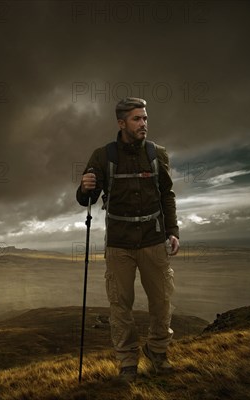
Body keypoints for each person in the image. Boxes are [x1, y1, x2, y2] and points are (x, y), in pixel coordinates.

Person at [76, 97, 180, 382]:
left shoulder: (157, 154)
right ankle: (127, 363)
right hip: (119, 246)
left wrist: (173, 231)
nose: (144, 123)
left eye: (145, 118)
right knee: (120, 306)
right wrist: (84, 187)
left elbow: (166, 195)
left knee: (161, 301)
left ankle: (157, 351)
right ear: (121, 123)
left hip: (153, 240)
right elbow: (88, 197)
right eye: (137, 119)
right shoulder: (103, 156)